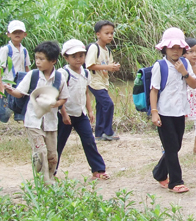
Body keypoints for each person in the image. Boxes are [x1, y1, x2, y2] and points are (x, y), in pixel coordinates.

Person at [4, 41, 69, 185]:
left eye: (41, 59)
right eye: (36, 58)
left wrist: (56, 104)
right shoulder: (32, 75)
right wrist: (10, 90)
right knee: (41, 152)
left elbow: (64, 97)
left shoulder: (59, 78)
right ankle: (42, 180)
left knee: (52, 155)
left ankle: (50, 179)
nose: (37, 62)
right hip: (33, 120)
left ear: (53, 61)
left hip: (51, 122)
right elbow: (20, 93)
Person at [150, 27, 196, 193]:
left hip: (180, 112)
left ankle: (159, 172)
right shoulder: (160, 66)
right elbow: (154, 90)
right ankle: (176, 181)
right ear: (165, 48)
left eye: (179, 48)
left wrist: (184, 73)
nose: (175, 51)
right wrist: (154, 112)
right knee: (170, 148)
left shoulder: (185, 64)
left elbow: (193, 84)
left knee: (175, 146)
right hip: (164, 112)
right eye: (172, 48)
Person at [56, 39, 109, 180]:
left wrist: (90, 111)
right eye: (74, 56)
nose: (78, 59)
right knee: (58, 143)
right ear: (66, 58)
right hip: (65, 114)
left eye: (81, 55)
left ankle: (98, 169)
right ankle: (50, 171)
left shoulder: (85, 73)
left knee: (89, 140)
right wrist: (64, 114)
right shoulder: (63, 73)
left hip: (80, 114)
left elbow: (85, 92)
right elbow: (58, 95)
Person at [85, 20, 120, 141]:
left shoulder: (107, 50)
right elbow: (89, 65)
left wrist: (113, 67)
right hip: (94, 82)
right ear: (98, 34)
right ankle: (108, 131)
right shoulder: (94, 48)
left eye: (111, 33)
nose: (110, 35)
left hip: (103, 82)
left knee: (101, 106)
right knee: (108, 104)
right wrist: (108, 67)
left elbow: (108, 65)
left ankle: (99, 133)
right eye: (107, 33)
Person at [0, 20, 31, 101]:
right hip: (7, 85)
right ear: (9, 34)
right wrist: (1, 86)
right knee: (5, 112)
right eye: (14, 32)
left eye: (20, 32)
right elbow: (1, 69)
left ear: (25, 34)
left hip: (21, 86)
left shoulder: (24, 50)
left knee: (18, 109)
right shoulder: (5, 50)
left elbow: (26, 68)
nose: (17, 34)